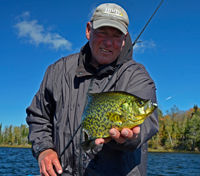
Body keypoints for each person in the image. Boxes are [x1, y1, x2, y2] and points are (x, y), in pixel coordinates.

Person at [26, 3, 159, 176]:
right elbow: (38, 116)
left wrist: (130, 138)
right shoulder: (57, 71)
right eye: (102, 32)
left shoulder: (137, 76)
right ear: (89, 30)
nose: (108, 42)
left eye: (116, 35)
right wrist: (44, 149)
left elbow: (146, 124)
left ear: (124, 39)